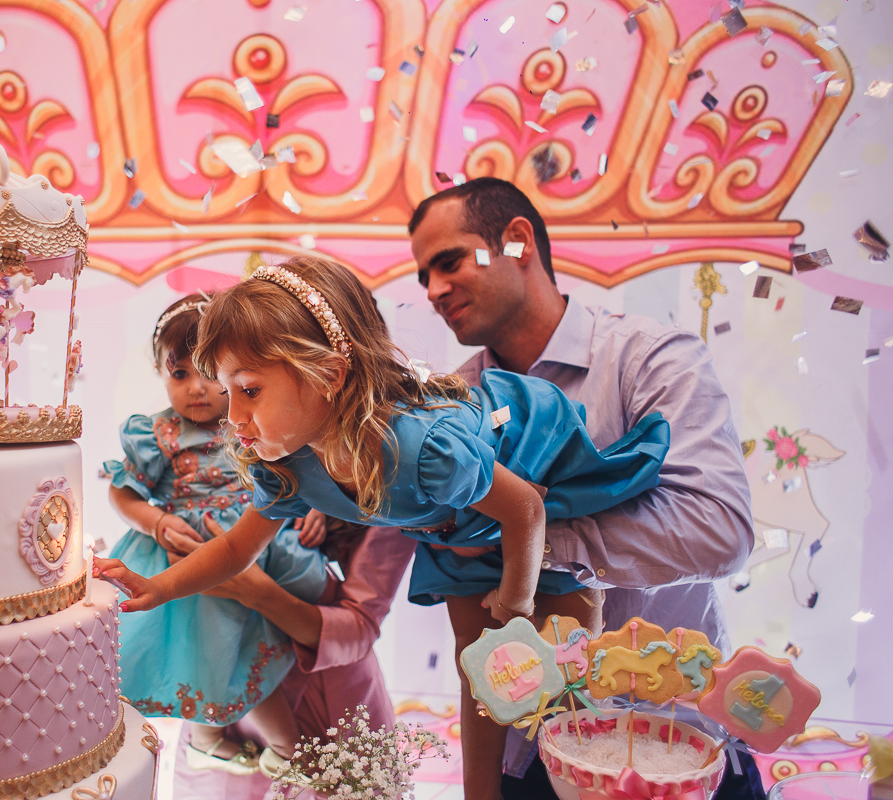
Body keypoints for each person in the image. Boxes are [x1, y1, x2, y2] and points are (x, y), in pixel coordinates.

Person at [94, 256, 671, 789]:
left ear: (330, 374)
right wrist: (161, 586)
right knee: (477, 670)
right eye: (228, 392)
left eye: (248, 391)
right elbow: (237, 549)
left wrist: (517, 603)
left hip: (528, 470)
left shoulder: (422, 449)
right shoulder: (286, 463)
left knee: (563, 673)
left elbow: (527, 508)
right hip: (456, 527)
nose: (233, 415)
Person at [408, 177, 755, 799]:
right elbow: (474, 635)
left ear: (516, 243)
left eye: (450, 261)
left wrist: (529, 536)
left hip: (675, 746)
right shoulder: (447, 412)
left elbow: (719, 529)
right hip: (529, 759)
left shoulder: (648, 359)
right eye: (423, 277)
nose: (434, 290)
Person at [103, 295, 328, 779]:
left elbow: (292, 481)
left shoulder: (254, 422)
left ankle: (286, 747)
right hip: (183, 558)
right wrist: (155, 522)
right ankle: (206, 738)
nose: (196, 389)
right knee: (205, 650)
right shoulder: (158, 432)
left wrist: (315, 511)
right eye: (179, 374)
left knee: (250, 647)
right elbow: (122, 494)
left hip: (254, 553)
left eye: (208, 373)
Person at [167, 519, 417, 798]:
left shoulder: (393, 494)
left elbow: (360, 626)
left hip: (320, 693)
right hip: (228, 689)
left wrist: (256, 591)